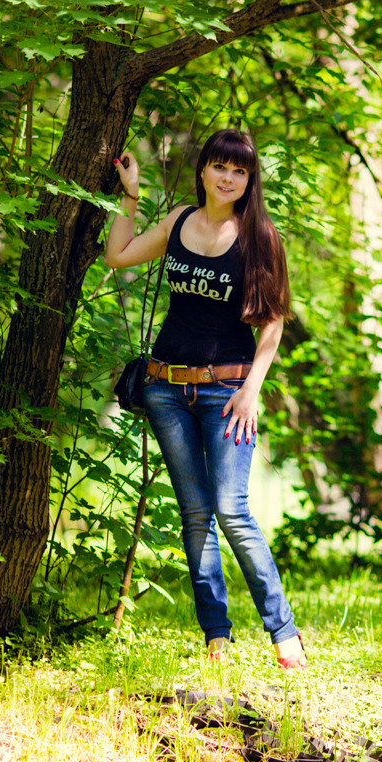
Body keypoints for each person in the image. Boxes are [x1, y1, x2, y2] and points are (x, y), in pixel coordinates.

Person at [104, 129, 304, 669]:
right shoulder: (178, 222)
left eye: (239, 171)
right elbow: (118, 255)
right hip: (166, 387)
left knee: (231, 511)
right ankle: (216, 635)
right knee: (195, 515)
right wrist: (131, 195)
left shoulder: (261, 237)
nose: (228, 178)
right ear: (204, 170)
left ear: (248, 179)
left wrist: (250, 392)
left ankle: (284, 633)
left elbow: (273, 323)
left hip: (228, 392)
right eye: (220, 167)